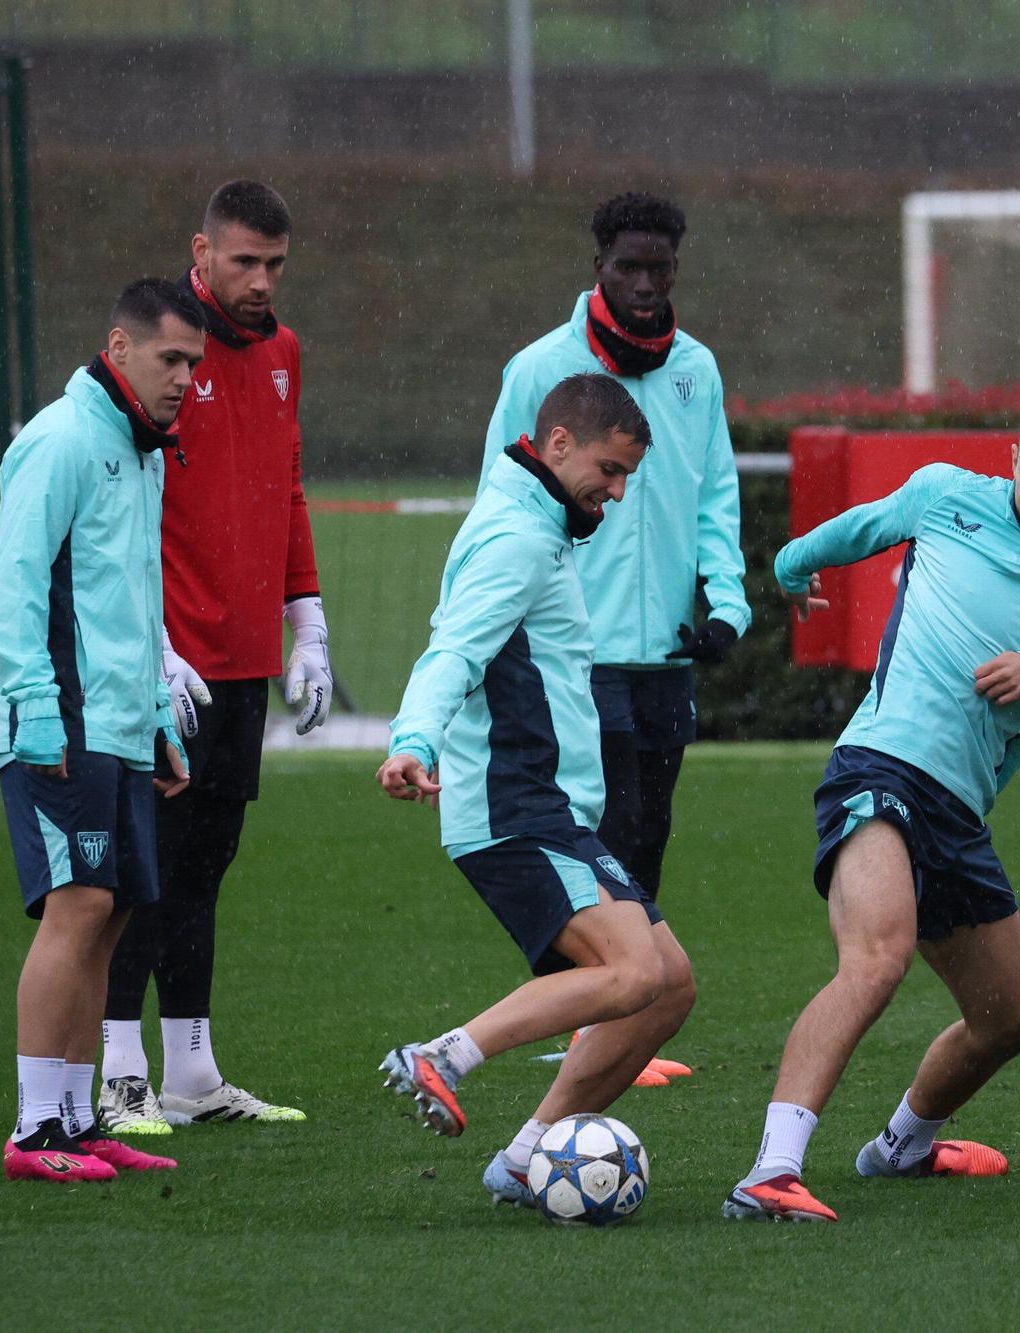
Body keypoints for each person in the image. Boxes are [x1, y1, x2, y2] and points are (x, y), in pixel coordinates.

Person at [724, 386, 1020, 1224]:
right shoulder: (945, 495)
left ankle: (900, 1145)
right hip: (879, 765)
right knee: (877, 956)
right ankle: (771, 1170)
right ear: (1010, 459)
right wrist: (793, 572)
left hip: (959, 811)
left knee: (1008, 1020)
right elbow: (820, 544)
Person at [376, 373, 696, 1211]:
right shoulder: (516, 538)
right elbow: (451, 652)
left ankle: (525, 1157)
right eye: (610, 469)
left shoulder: (539, 526)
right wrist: (413, 739)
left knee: (668, 982)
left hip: (547, 808)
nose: (618, 493)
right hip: (516, 808)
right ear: (557, 445)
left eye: (629, 476)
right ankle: (442, 1055)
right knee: (632, 972)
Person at [477, 193, 748, 1085]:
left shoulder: (696, 370)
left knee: (648, 828)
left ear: (677, 268)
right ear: (597, 263)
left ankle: (625, 1027)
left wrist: (727, 600)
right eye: (627, 266)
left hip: (664, 653)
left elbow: (713, 493)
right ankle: (584, 1029)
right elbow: (500, 495)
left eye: (658, 268)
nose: (642, 283)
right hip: (572, 655)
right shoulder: (537, 368)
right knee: (582, 833)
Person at [99, 181, 327, 1135]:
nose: (262, 281)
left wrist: (306, 621)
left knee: (207, 864)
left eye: (275, 264)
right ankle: (114, 1073)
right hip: (166, 670)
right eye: (244, 261)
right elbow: (119, 512)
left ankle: (190, 1068)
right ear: (202, 249)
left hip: (239, 664)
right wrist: (150, 646)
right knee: (145, 868)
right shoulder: (162, 351)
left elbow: (288, 491)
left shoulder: (283, 354)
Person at [0, 278, 206, 1181]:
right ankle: (35, 1128)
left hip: (118, 727)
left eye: (194, 364)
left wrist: (159, 715)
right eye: (170, 360)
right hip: (61, 723)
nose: (185, 379)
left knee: (110, 916)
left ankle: (76, 1119)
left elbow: (134, 603)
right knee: (76, 910)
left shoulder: (144, 450)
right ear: (117, 348)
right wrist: (38, 710)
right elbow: (17, 586)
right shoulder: (61, 439)